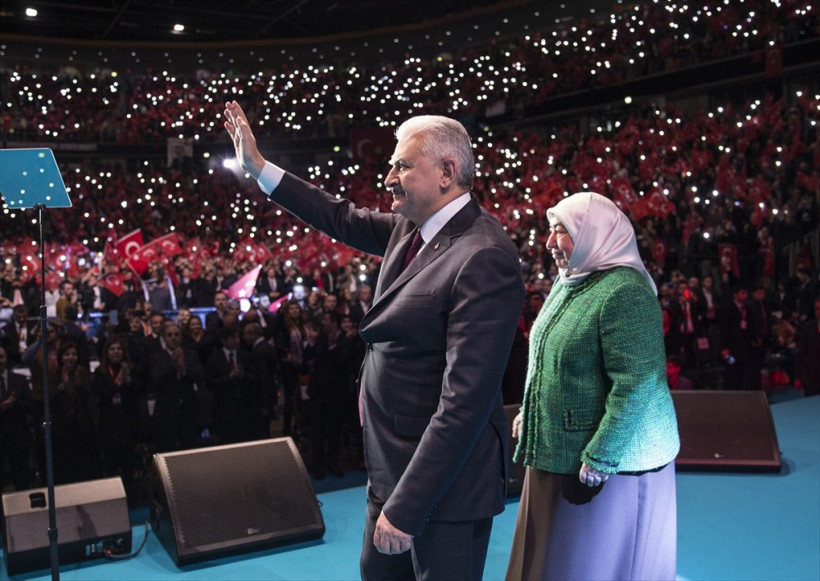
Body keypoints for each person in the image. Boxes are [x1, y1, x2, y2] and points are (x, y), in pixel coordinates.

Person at [224, 101, 524, 581]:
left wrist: (406, 507)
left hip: (442, 488)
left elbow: (463, 404)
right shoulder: (411, 228)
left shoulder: (483, 257)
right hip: (390, 466)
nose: (387, 177)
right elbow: (338, 217)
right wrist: (260, 170)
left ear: (447, 172)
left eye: (402, 165)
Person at [507, 192, 680, 581]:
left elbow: (637, 385)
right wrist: (529, 412)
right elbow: (549, 359)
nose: (549, 243)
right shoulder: (569, 281)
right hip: (557, 453)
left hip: (611, 468)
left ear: (592, 235)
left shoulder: (625, 292)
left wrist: (602, 455)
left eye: (560, 232)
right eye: (549, 232)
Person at [795, 297, 820, 397]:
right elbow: (801, 353)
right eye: (817, 309)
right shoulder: (808, 327)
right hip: (811, 378)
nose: (819, 312)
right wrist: (797, 376)